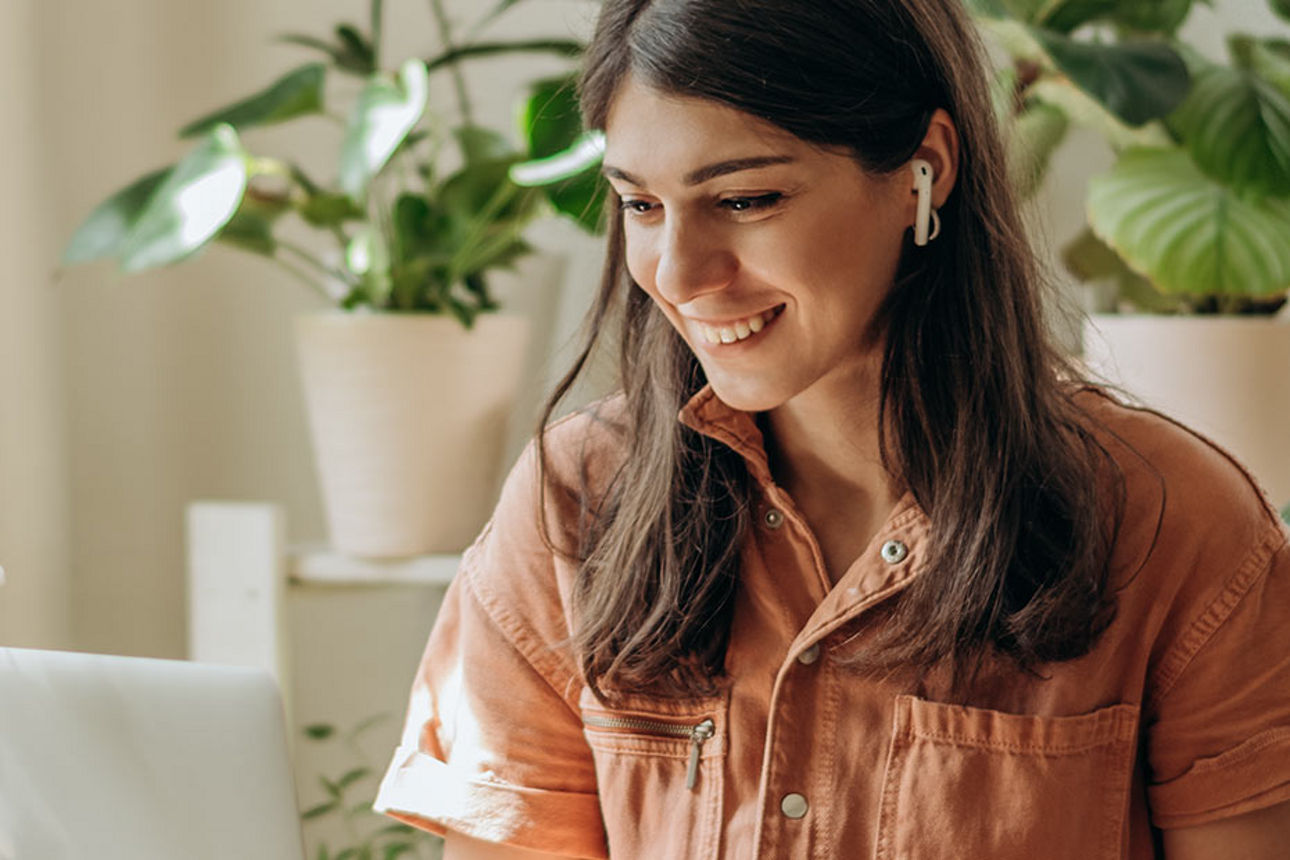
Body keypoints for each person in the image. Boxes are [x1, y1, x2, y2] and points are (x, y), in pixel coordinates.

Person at [373, 0, 1290, 856]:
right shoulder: (573, 502)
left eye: (745, 200)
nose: (679, 273)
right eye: (641, 204)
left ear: (924, 170)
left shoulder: (1174, 524)